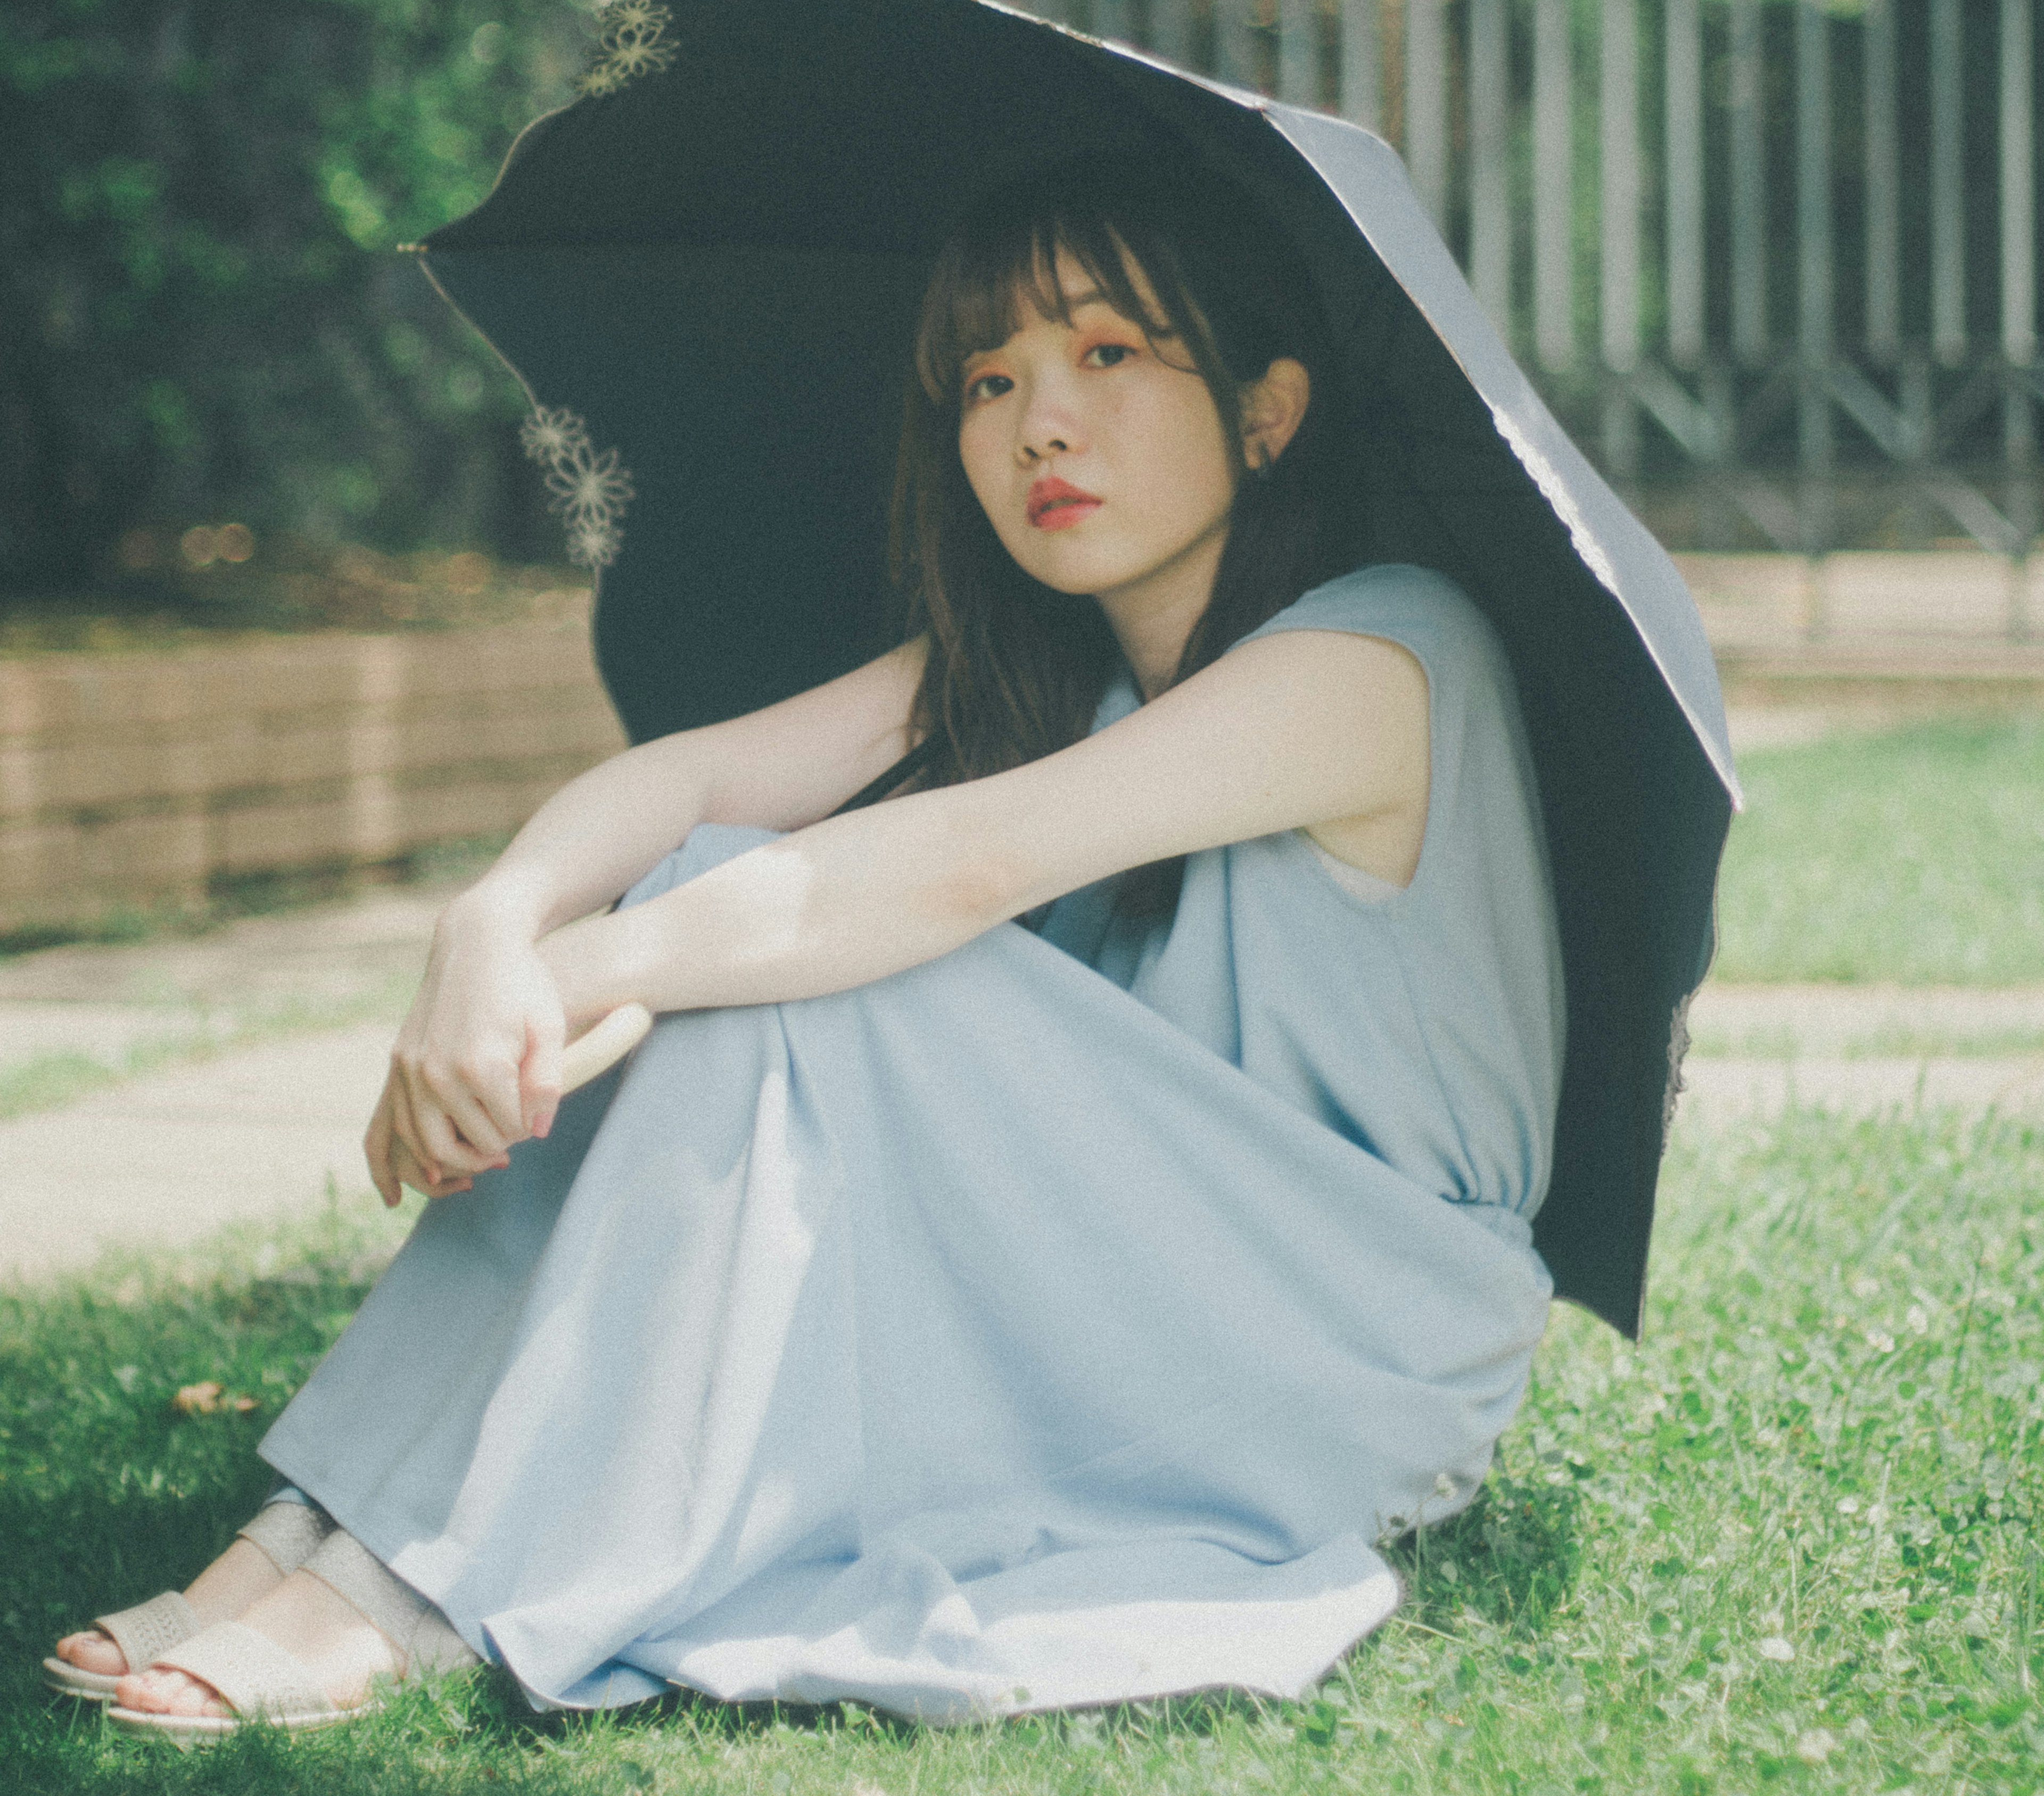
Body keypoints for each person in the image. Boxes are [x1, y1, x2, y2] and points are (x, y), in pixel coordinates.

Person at [51, 151, 1564, 1742]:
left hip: (1345, 1346)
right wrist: (491, 926)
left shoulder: (1384, 652)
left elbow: (965, 865)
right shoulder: (1054, 669)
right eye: (990, 378)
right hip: (1145, 1285)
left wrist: (590, 972)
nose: (1040, 422)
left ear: (1269, 412)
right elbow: (695, 779)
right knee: (725, 884)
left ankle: (436, 1572)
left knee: (821, 947)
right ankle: (329, 1529)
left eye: (1110, 352)